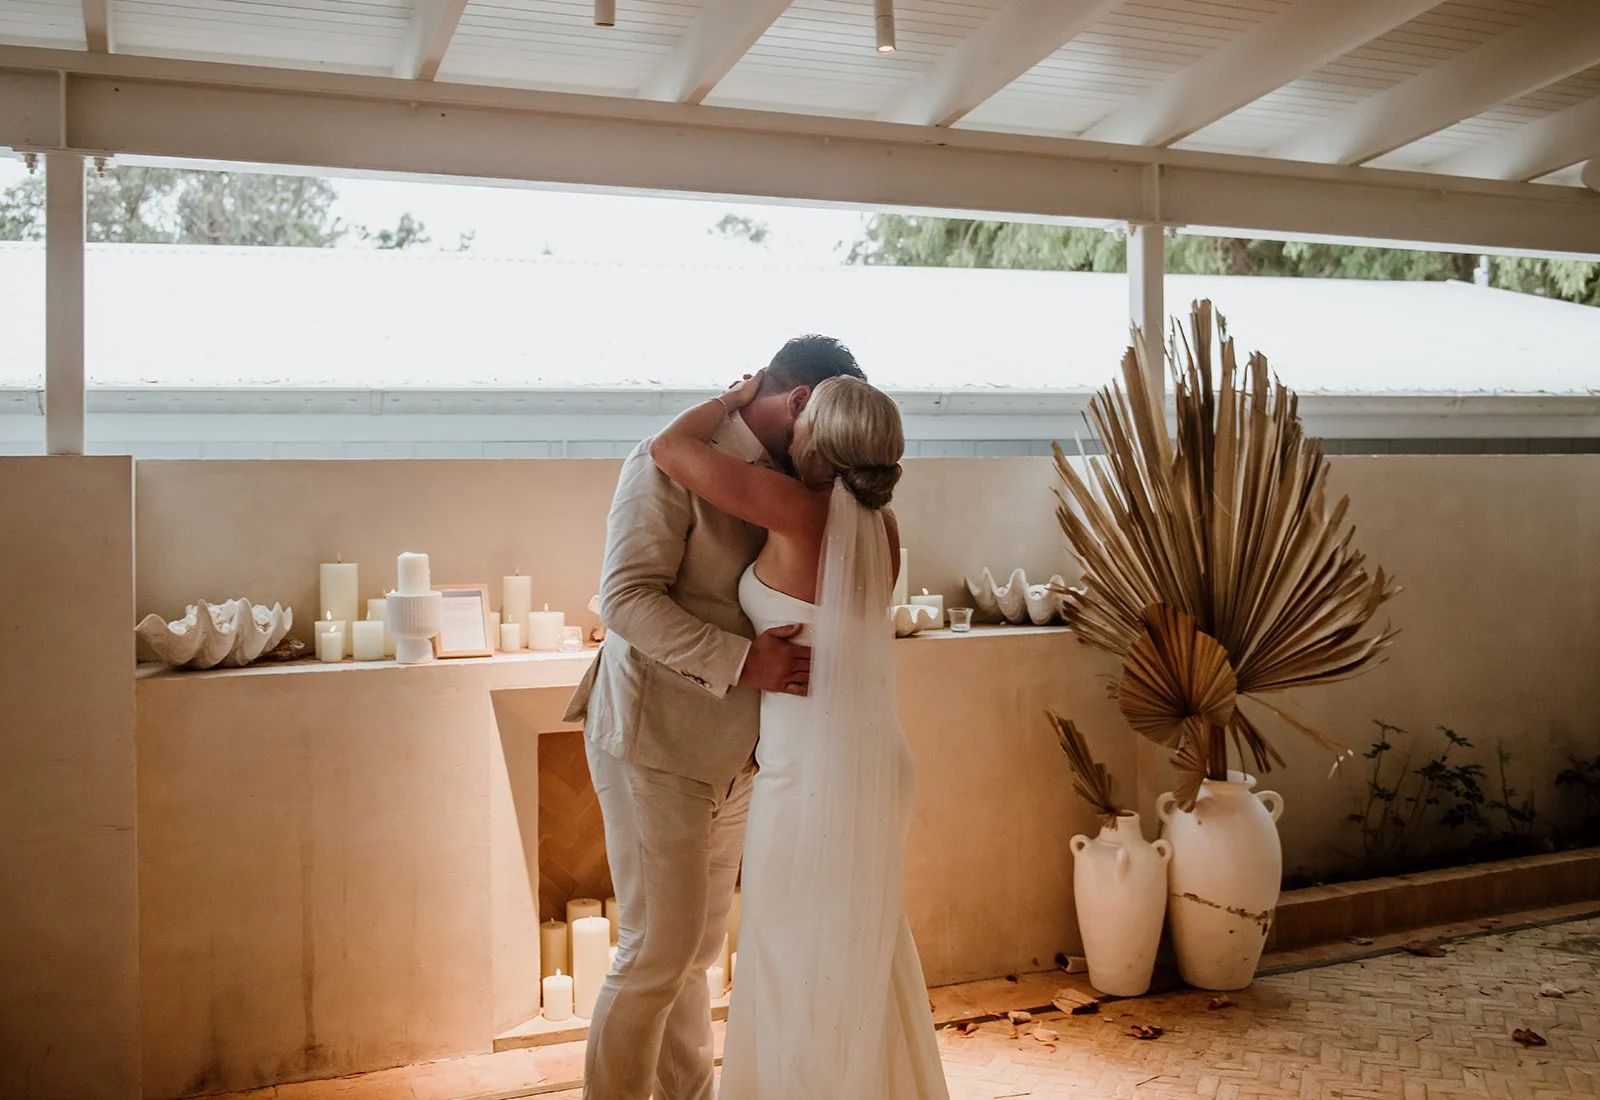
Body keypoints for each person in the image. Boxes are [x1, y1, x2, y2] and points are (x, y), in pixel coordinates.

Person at [563, 335, 867, 1100]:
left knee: (696, 954)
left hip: (738, 751)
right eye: (824, 425)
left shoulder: (787, 481)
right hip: (652, 737)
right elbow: (626, 599)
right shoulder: (665, 461)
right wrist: (743, 662)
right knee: (653, 952)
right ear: (800, 404)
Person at [650, 369, 950, 1098]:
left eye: (805, 414)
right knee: (859, 955)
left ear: (819, 437)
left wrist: (729, 398)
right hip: (870, 761)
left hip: (810, 773)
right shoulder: (881, 526)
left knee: (789, 952)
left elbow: (668, 448)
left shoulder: (797, 507)